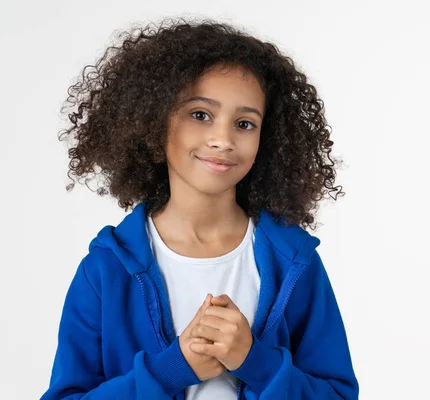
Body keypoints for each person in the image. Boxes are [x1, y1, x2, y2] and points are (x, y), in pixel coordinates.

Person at [40, 17, 358, 400]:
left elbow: (338, 394)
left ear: (267, 139)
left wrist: (257, 362)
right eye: (200, 114)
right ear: (154, 121)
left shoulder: (293, 261)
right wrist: (170, 370)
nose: (222, 139)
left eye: (244, 123)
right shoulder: (105, 271)